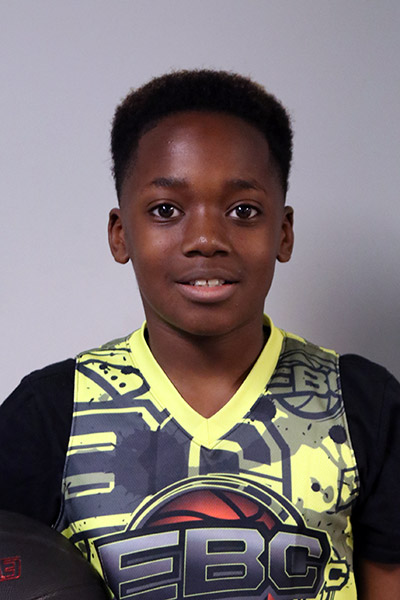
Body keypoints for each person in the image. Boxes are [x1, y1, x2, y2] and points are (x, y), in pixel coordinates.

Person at [1, 70, 399, 600]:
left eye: (243, 211)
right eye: (166, 210)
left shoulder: (360, 403)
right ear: (121, 234)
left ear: (283, 232)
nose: (207, 238)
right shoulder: (53, 411)